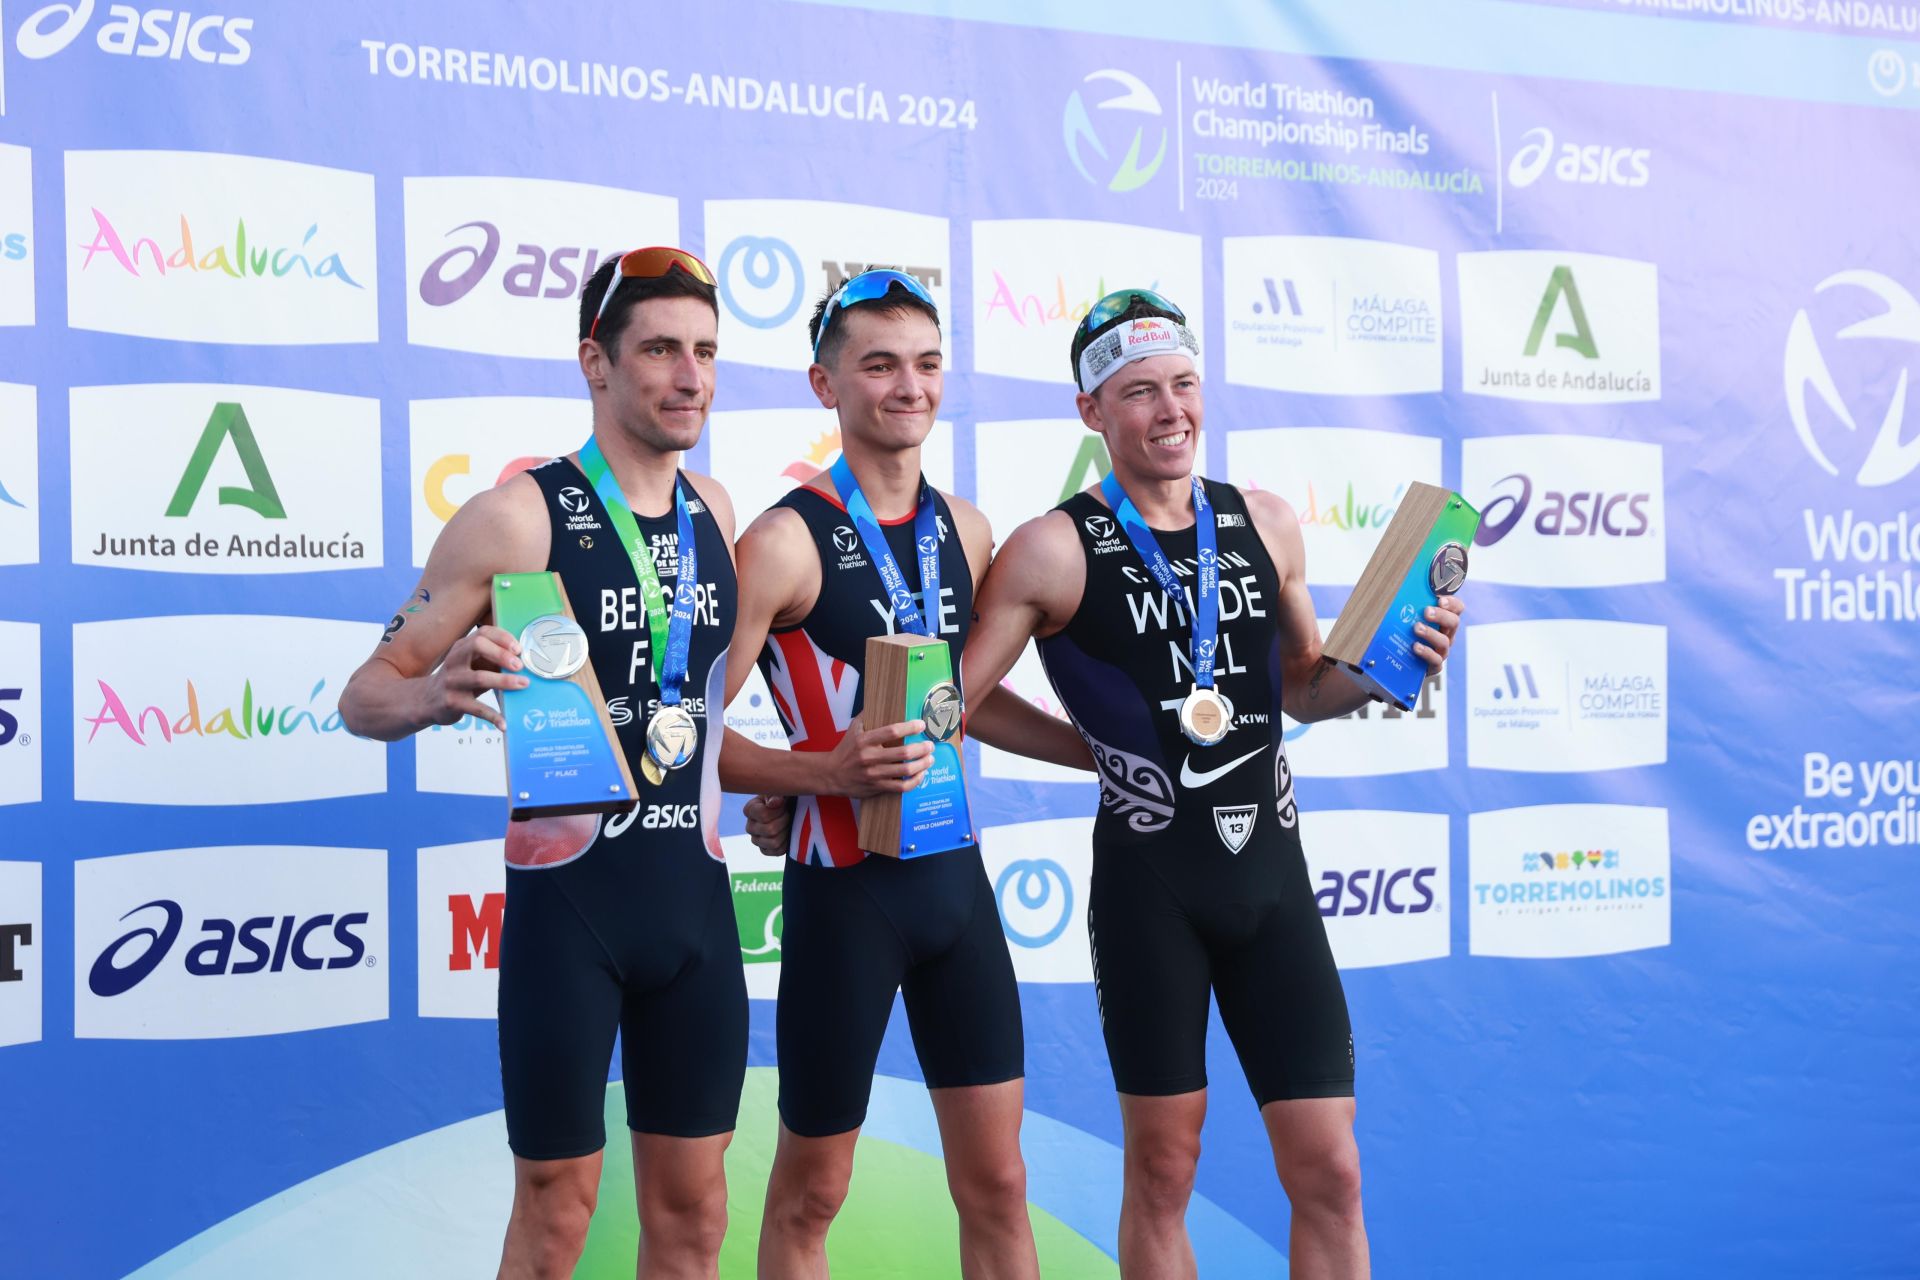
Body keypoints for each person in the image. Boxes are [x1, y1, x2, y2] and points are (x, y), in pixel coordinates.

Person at [958, 288, 1464, 1280]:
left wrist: (1392, 663)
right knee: (1163, 1166)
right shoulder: (1050, 547)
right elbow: (957, 701)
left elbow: (1304, 688)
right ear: (1091, 411)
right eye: (1139, 391)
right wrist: (1088, 751)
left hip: (1272, 878)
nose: (1170, 409)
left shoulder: (1265, 522)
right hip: (1154, 885)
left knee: (1330, 1167)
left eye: (1184, 383)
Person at [340, 248, 745, 1280]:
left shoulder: (718, 512)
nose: (688, 375)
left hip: (698, 910)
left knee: (695, 1219)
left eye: (703, 351)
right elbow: (366, 692)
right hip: (575, 912)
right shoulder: (519, 515)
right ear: (595, 364)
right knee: (558, 1214)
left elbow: (690, 709)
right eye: (658, 349)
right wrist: (435, 693)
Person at [718, 269, 1088, 1280]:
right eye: (878, 364)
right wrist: (813, 772)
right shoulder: (781, 541)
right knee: (811, 1193)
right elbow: (685, 731)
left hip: (953, 887)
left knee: (1000, 1183)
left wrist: (1095, 753)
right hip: (845, 896)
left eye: (925, 363)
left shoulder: (967, 531)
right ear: (824, 383)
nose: (907, 385)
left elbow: (960, 700)